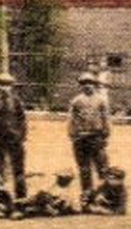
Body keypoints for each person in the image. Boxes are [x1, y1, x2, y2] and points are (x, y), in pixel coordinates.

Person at [0, 72, 28, 198]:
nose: (4, 88)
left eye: (7, 85)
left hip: (14, 138)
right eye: (1, 85)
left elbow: (22, 119)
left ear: (12, 86)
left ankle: (21, 196)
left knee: (18, 168)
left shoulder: (16, 101)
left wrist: (22, 135)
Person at [68, 72, 111, 200]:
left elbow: (106, 118)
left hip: (96, 136)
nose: (87, 86)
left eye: (90, 83)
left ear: (94, 85)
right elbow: (71, 119)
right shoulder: (76, 101)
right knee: (84, 168)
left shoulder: (101, 100)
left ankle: (106, 194)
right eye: (84, 84)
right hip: (81, 138)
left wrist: (106, 133)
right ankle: (87, 194)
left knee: (102, 166)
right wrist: (72, 134)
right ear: (80, 86)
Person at [14, 171, 78, 218]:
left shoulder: (70, 189)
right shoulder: (52, 184)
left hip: (51, 203)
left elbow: (70, 202)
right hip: (43, 200)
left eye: (65, 179)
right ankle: (19, 206)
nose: (61, 179)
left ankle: (24, 209)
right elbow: (41, 193)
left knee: (35, 207)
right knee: (36, 199)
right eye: (60, 178)